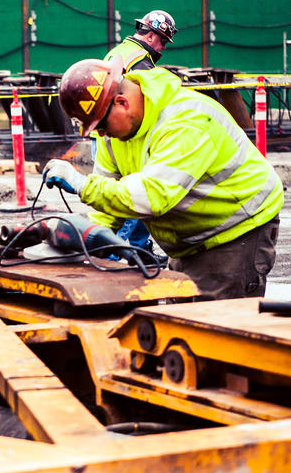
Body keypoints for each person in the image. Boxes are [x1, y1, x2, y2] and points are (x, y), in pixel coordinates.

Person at [42, 56, 283, 300]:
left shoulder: (185, 120)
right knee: (180, 315)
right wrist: (84, 241)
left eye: (101, 126)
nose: (101, 134)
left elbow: (151, 197)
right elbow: (107, 209)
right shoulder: (113, 136)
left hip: (238, 231)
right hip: (187, 240)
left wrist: (82, 184)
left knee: (213, 324)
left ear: (122, 102)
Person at [97, 9, 179, 256]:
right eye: (163, 41)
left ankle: (140, 249)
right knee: (134, 199)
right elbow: (147, 102)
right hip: (123, 136)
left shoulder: (120, 51)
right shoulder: (140, 61)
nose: (163, 48)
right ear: (153, 36)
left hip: (107, 132)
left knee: (128, 197)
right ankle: (113, 253)